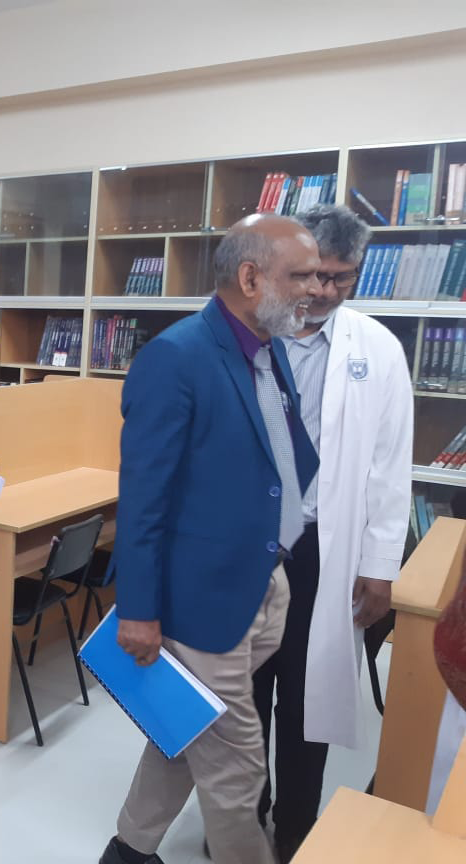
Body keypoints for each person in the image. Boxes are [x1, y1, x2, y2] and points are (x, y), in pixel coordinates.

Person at [100, 214, 321, 864]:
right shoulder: (176, 358)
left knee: (189, 721)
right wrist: (138, 609)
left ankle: (128, 850)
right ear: (250, 279)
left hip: (261, 582)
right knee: (238, 768)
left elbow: (278, 462)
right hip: (201, 599)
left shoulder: (270, 349)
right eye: (300, 276)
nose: (314, 290)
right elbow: (144, 497)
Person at [251, 205, 412, 862]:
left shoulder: (378, 349)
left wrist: (380, 565)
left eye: (341, 278)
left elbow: (390, 465)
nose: (324, 291)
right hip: (247, 543)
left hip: (323, 548)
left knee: (306, 692)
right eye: (315, 275)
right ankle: (243, 810)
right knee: (243, 689)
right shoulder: (250, 332)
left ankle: (296, 824)